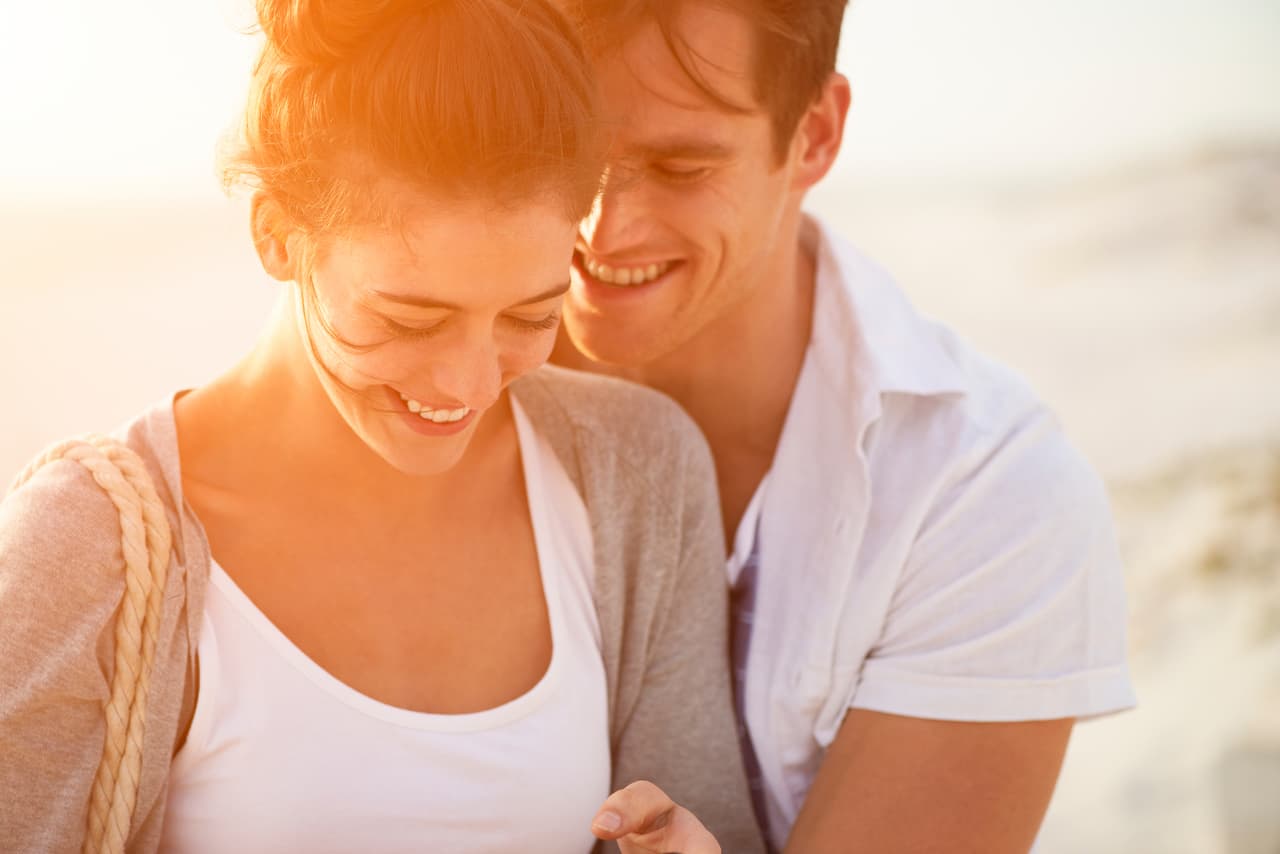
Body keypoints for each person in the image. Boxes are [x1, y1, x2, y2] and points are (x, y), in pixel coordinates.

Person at [0, 1, 763, 852]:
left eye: (529, 316)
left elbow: (701, 823)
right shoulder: (85, 549)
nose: (468, 386)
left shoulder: (636, 475)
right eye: (411, 318)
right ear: (278, 235)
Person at [552, 1, 1138, 851]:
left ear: (816, 135)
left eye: (679, 166)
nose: (603, 227)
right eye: (567, 152)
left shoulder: (988, 494)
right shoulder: (430, 388)